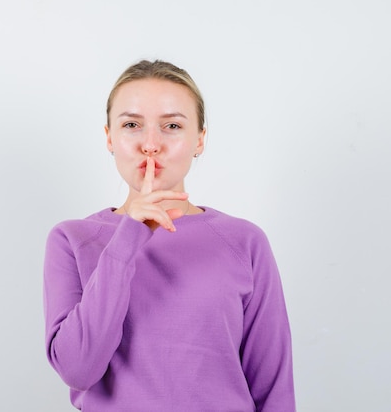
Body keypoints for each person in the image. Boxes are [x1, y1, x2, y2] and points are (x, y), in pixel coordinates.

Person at [43, 59, 295, 411]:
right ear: (109, 138)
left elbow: (274, 389)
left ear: (200, 140)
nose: (150, 144)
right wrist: (128, 236)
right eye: (131, 124)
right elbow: (78, 368)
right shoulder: (72, 240)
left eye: (172, 125)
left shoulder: (245, 242)